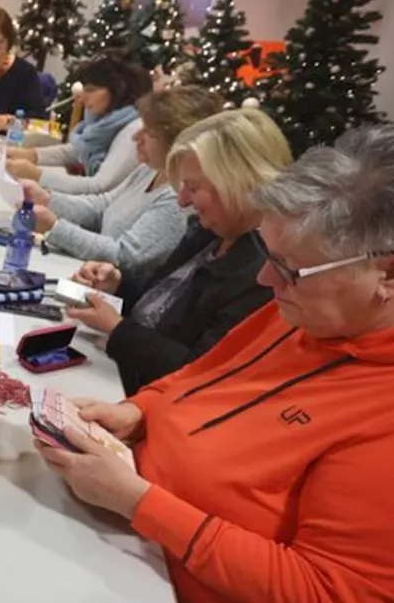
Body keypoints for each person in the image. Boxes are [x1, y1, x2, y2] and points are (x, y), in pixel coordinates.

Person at [37, 123, 394, 603]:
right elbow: (203, 376)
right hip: (131, 556)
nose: (264, 280)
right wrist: (142, 410)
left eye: (288, 268)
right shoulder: (306, 310)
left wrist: (140, 503)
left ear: (393, 277)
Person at [65, 109, 292, 395]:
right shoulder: (209, 233)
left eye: (193, 188)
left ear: (240, 183)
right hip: (117, 375)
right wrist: (117, 283)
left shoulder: (261, 274)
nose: (183, 201)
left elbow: (201, 372)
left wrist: (118, 330)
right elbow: (160, 305)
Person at [18, 86, 223, 272]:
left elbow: (125, 255)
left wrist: (54, 227)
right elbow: (102, 206)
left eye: (149, 133)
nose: (136, 138)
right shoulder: (150, 170)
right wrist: (46, 199)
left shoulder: (178, 199)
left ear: (176, 143)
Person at [6, 55, 151, 193]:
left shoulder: (132, 131)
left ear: (117, 91)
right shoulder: (104, 122)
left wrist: (37, 175)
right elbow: (77, 151)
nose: (83, 97)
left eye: (91, 90)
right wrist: (30, 155)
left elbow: (99, 186)